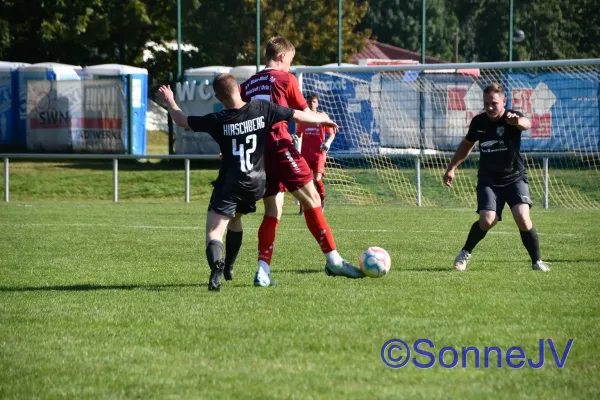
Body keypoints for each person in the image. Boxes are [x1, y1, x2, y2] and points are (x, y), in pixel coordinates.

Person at [157, 73, 341, 291]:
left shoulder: (218, 119)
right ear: (238, 88)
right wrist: (321, 118)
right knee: (236, 219)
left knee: (215, 232)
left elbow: (181, 120)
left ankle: (217, 265)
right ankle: (230, 266)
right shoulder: (262, 108)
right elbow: (296, 115)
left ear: (218, 97)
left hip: (231, 183)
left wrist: (170, 100)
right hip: (256, 184)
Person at [240, 36, 365, 286]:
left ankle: (263, 271)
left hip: (257, 152)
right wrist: (323, 118)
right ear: (282, 56)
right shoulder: (285, 78)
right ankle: (334, 261)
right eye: (290, 59)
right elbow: (303, 114)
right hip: (279, 145)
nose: (290, 65)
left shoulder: (249, 84)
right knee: (312, 199)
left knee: (272, 211)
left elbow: (237, 113)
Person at [443, 82, 550, 272]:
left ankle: (537, 262)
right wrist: (452, 167)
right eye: (486, 104)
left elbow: (526, 123)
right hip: (489, 181)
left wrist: (516, 122)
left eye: (494, 103)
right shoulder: (479, 122)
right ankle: (465, 252)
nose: (490, 107)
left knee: (522, 217)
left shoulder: (512, 117)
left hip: (514, 178)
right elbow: (467, 144)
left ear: (504, 101)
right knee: (487, 220)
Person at [295, 93, 336, 215]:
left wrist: (328, 143)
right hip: (305, 154)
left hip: (319, 154)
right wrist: (295, 138)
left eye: (313, 101)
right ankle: (303, 207)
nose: (311, 104)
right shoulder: (303, 118)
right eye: (309, 101)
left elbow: (332, 133)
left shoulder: (322, 117)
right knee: (304, 181)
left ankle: (321, 202)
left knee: (317, 180)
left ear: (317, 103)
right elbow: (299, 133)